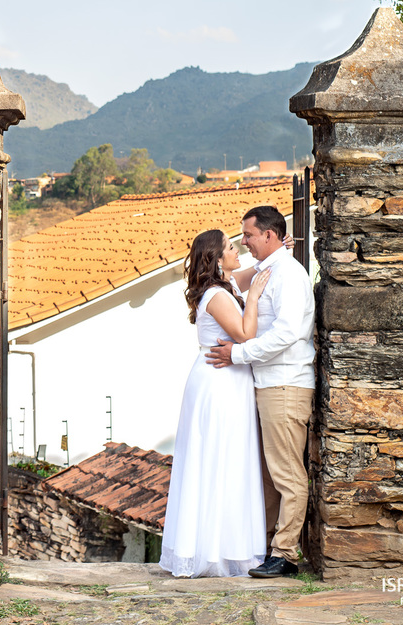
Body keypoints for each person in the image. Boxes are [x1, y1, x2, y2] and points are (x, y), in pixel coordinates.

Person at [207, 206, 315, 579]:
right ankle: (267, 546)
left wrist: (238, 354)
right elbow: (232, 283)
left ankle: (285, 554)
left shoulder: (289, 275)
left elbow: (286, 334)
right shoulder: (272, 269)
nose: (245, 242)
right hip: (267, 384)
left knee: (287, 474)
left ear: (268, 235)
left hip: (285, 384)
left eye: (249, 235)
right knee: (270, 474)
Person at [159, 229, 271, 578]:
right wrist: (252, 299)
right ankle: (212, 552)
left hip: (228, 380)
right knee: (219, 459)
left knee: (228, 459)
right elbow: (244, 334)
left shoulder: (226, 283)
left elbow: (253, 271)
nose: (238, 249)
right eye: (231, 247)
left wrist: (277, 250)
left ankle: (223, 546)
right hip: (218, 383)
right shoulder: (217, 295)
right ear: (218, 258)